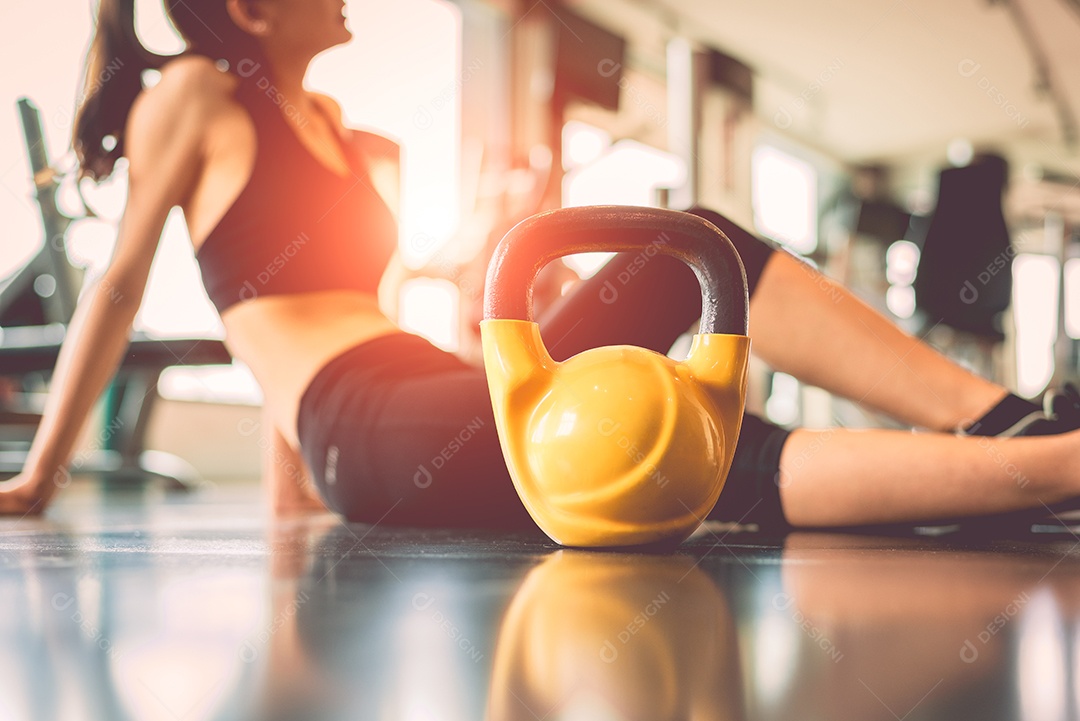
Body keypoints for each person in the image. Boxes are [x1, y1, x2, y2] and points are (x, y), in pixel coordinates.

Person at [2, 0, 1078, 531]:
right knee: (683, 405)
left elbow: (348, 304)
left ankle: (1009, 424)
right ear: (247, 10)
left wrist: (298, 504)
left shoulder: (338, 127)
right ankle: (1051, 464)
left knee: (687, 278)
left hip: (428, 389)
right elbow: (123, 281)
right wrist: (42, 476)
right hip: (368, 422)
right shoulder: (197, 92)